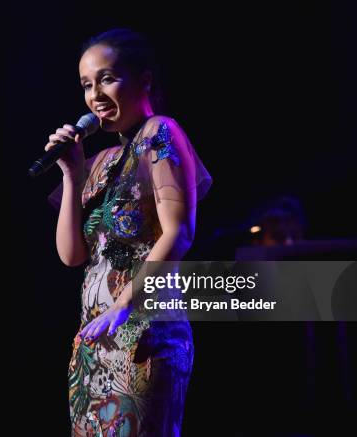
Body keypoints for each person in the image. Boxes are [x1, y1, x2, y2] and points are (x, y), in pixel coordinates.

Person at [45, 28, 212, 436]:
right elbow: (72, 256)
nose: (95, 95)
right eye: (87, 84)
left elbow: (180, 232)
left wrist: (123, 304)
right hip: (95, 346)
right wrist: (71, 174)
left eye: (107, 78)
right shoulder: (99, 161)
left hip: (144, 334)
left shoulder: (161, 133)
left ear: (145, 80)